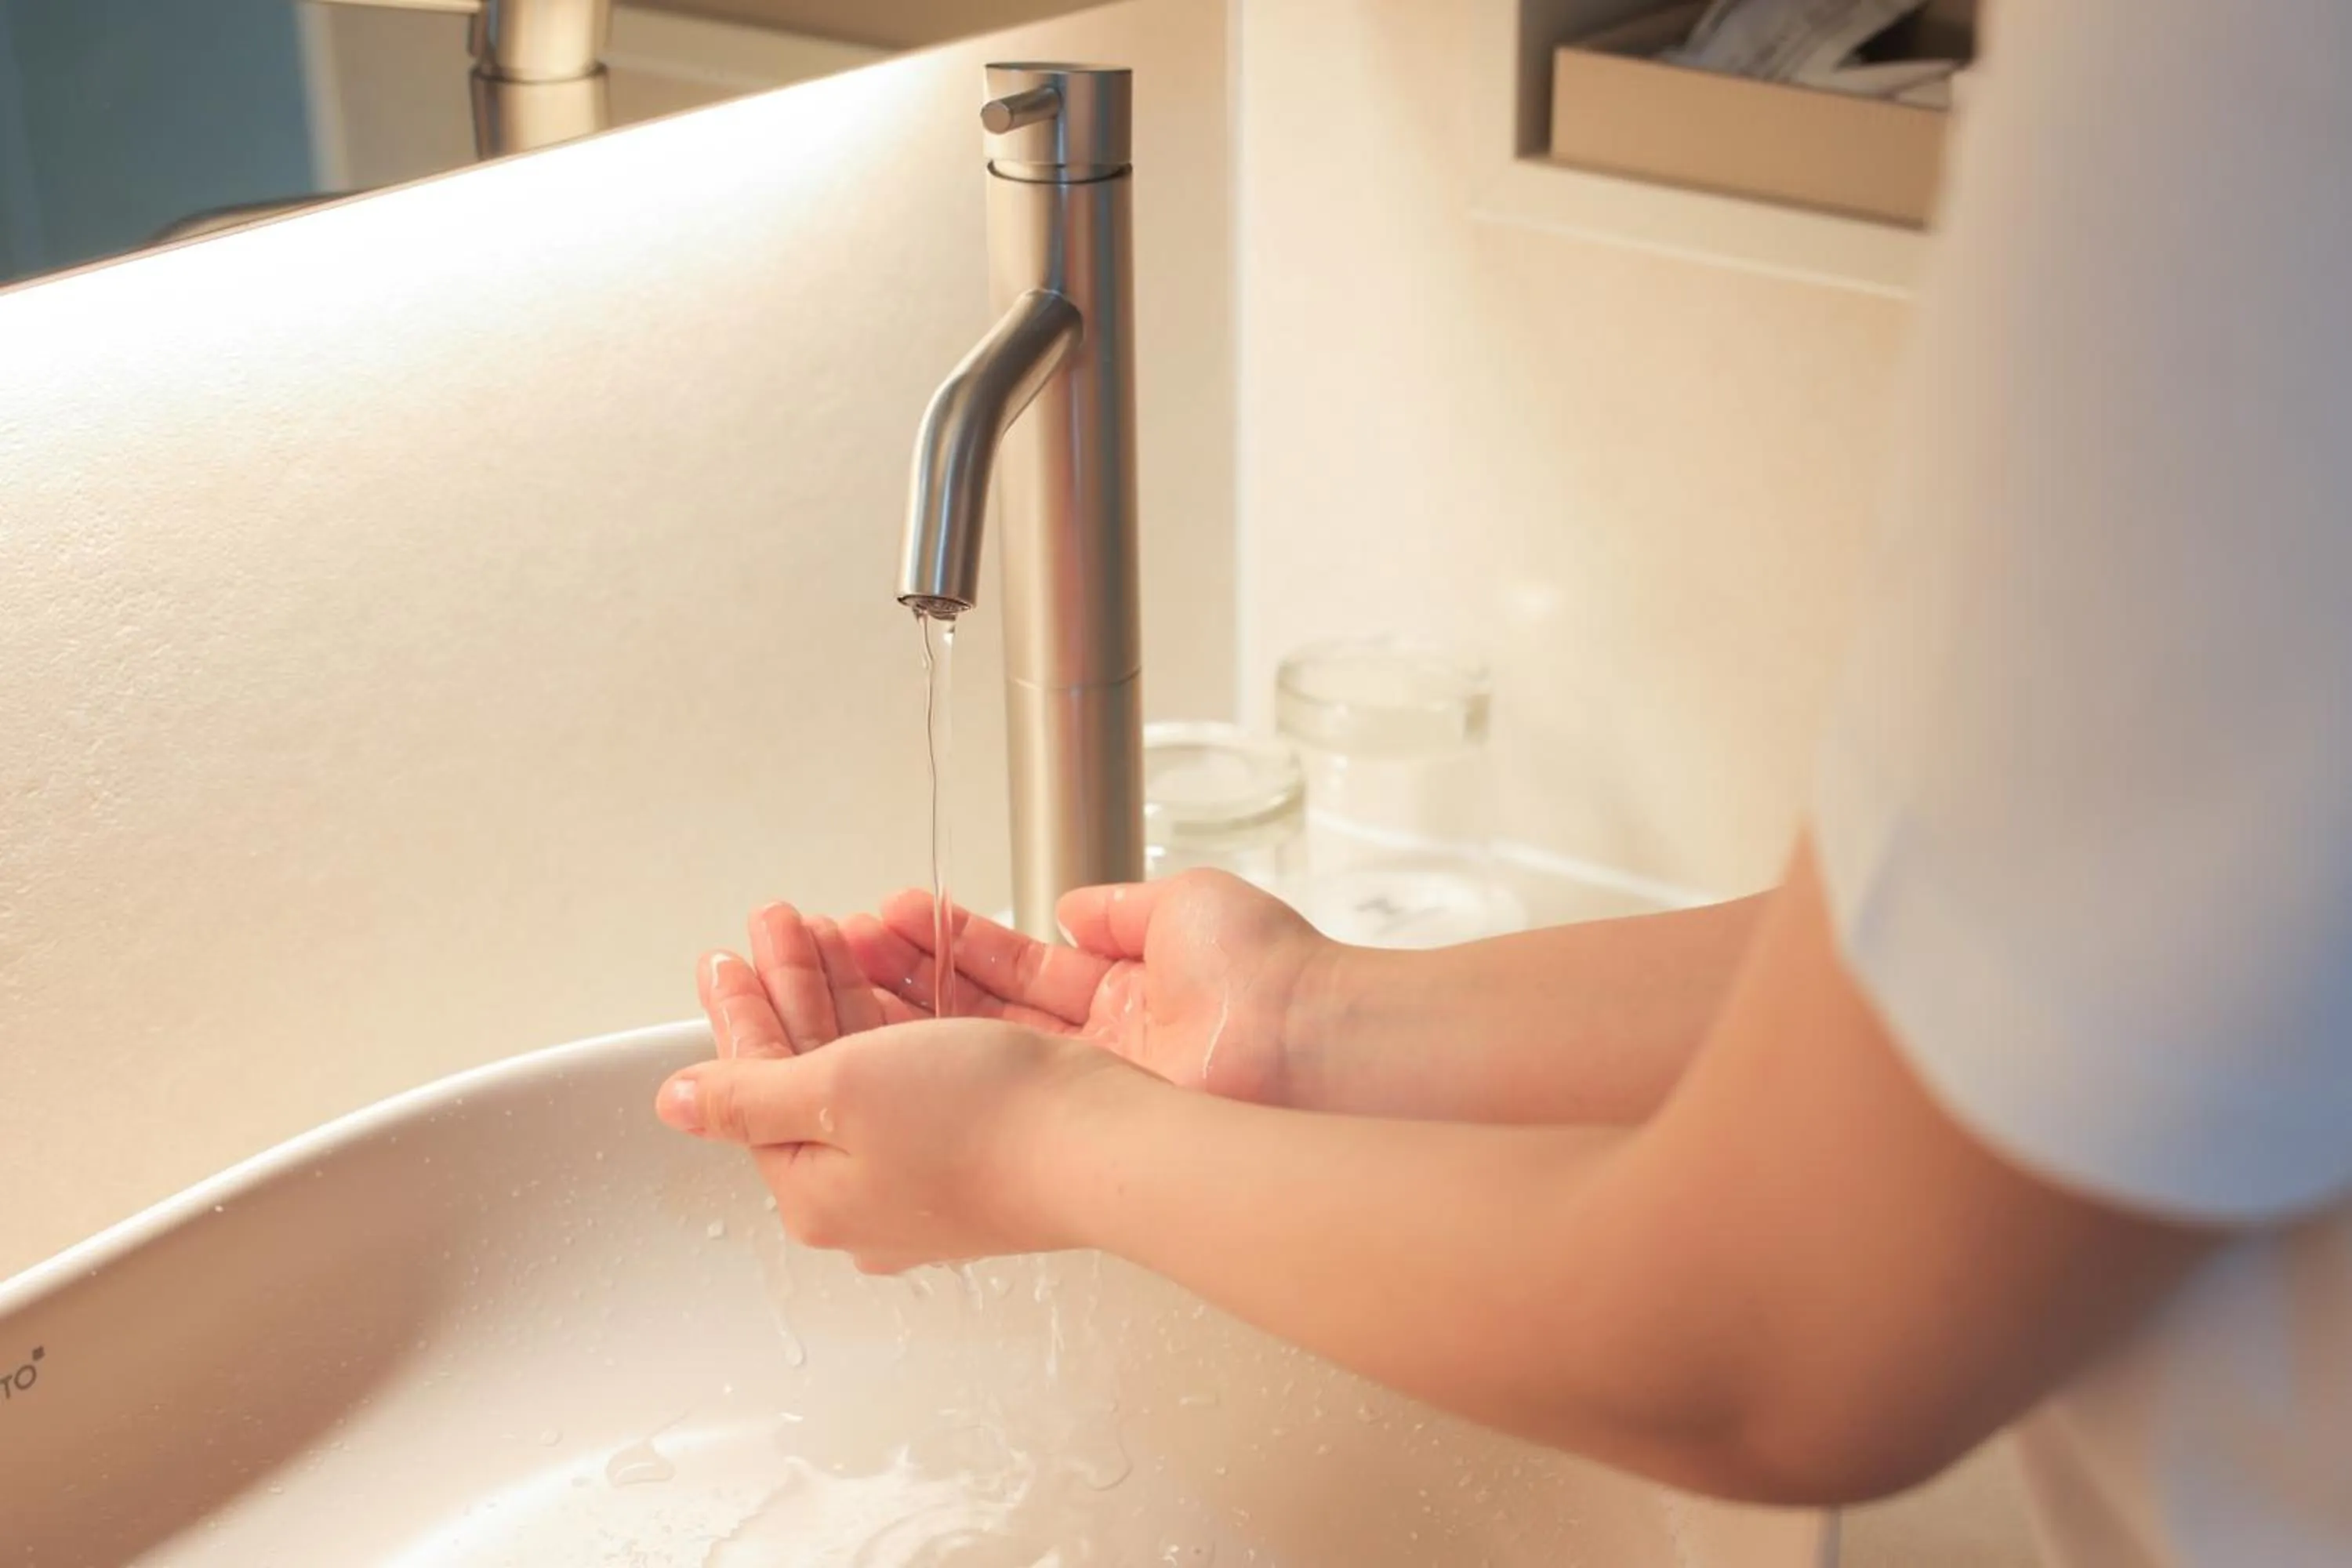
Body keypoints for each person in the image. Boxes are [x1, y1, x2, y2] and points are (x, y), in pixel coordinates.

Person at [654, 4, 2352, 1563]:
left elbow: (1760, 1333)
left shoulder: (2211, 70)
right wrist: (1308, 1020)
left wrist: (1042, 1139)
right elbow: (2024, 967)